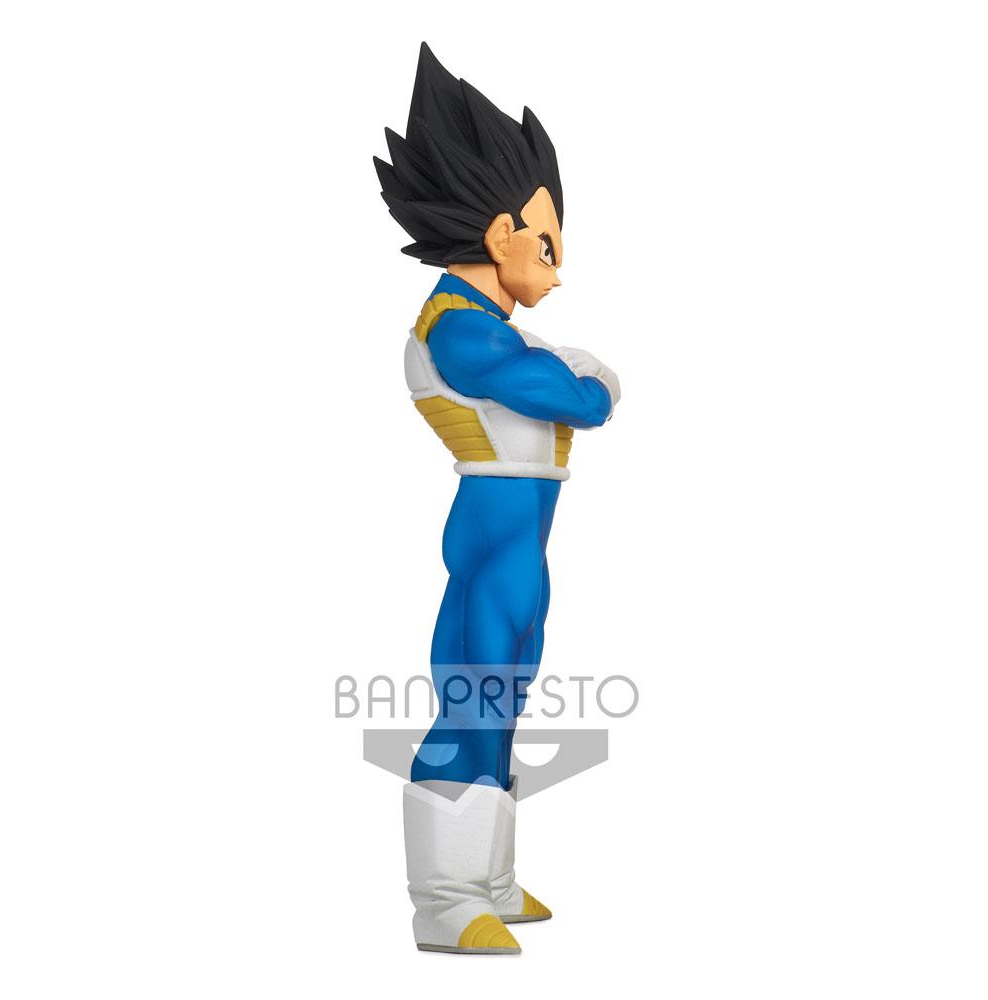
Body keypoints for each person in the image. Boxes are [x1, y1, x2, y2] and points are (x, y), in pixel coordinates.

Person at [374, 43, 621, 955]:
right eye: (545, 246)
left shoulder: (493, 331)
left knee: (506, 703)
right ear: (500, 233)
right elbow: (575, 397)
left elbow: (562, 382)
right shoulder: (460, 332)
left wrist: (576, 374)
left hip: (524, 550)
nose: (555, 270)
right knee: (473, 700)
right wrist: (588, 379)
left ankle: (489, 881)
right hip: (491, 542)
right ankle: (444, 899)